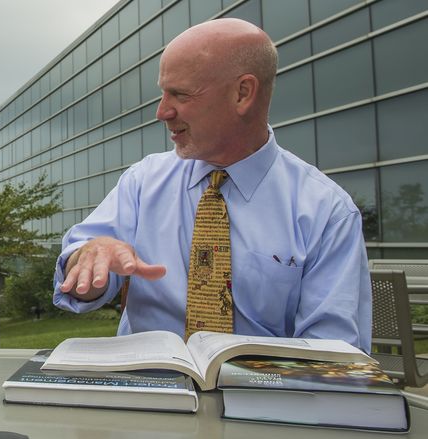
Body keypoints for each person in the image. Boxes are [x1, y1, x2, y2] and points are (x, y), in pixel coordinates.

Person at [53, 18, 371, 351]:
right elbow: (77, 287)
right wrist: (88, 260)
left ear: (242, 93)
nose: (162, 111)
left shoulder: (327, 212)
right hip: (148, 394)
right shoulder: (142, 182)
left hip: (264, 398)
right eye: (163, 93)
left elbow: (335, 356)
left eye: (180, 94)